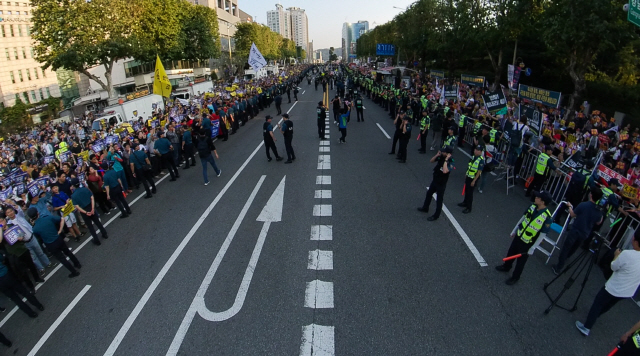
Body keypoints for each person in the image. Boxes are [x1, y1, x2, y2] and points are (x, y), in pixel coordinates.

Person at [576, 231, 640, 336]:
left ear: (636, 242)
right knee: (608, 305)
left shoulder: (627, 254)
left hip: (615, 287)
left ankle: (586, 327)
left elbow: (614, 266)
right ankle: (594, 316)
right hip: (628, 291)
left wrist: (616, 255)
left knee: (598, 303)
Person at [495, 191, 553, 285]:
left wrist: (533, 248)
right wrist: (514, 230)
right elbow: (523, 218)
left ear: (542, 202)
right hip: (519, 235)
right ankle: (506, 266)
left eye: (538, 197)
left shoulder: (547, 217)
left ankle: (515, 277)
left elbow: (542, 235)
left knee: (521, 262)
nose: (536, 198)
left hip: (528, 242)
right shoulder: (532, 206)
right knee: (511, 252)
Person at [552, 188, 603, 274]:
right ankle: (566, 258)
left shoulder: (584, 205)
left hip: (576, 229)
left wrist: (569, 207)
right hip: (585, 233)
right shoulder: (598, 211)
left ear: (591, 195)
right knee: (574, 248)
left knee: (566, 247)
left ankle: (559, 267)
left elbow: (572, 214)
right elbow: (598, 222)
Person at [27, 207, 81, 278]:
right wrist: (60, 230)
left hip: (50, 245)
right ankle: (77, 263)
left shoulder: (35, 228)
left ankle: (74, 272)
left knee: (62, 259)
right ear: (38, 213)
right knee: (68, 252)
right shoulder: (47, 218)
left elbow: (39, 238)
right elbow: (61, 219)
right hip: (58, 238)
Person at [0, 253, 43, 318]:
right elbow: (3, 258)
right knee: (24, 291)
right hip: (6, 275)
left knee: (16, 299)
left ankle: (31, 314)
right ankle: (39, 305)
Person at [417, 146, 453, 221]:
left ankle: (436, 215)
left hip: (441, 183)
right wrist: (437, 155)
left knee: (439, 200)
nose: (442, 152)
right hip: (435, 180)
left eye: (444, 152)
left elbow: (445, 171)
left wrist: (446, 160)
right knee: (429, 193)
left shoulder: (451, 161)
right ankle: (425, 207)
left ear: (448, 154)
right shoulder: (441, 157)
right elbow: (431, 161)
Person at [71, 178, 108, 245]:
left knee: (90, 227)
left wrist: (85, 212)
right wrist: (93, 208)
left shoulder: (73, 195)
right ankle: (104, 233)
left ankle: (96, 240)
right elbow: (92, 198)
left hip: (84, 211)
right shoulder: (85, 189)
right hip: (90, 206)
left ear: (73, 186)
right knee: (97, 222)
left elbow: (77, 206)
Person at [458, 145, 485, 214]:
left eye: (478, 150)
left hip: (473, 178)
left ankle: (469, 207)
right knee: (466, 190)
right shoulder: (474, 157)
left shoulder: (481, 160)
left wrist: (474, 181)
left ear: (481, 152)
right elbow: (470, 166)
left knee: (470, 193)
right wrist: (466, 174)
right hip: (469, 176)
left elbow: (479, 172)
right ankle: (465, 202)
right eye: (475, 149)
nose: (476, 151)